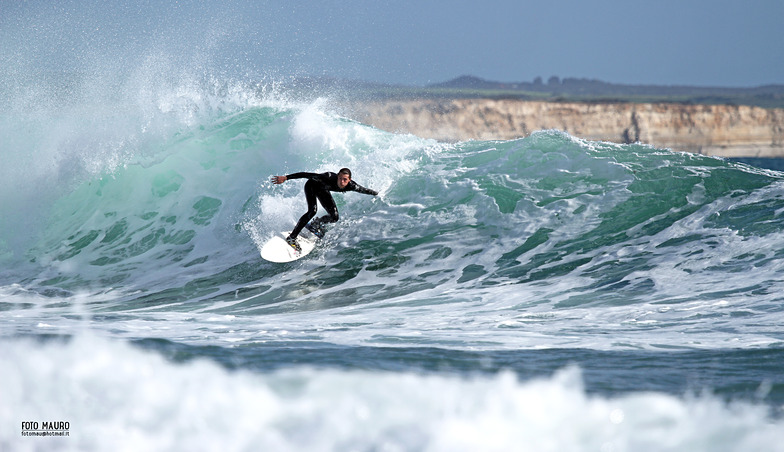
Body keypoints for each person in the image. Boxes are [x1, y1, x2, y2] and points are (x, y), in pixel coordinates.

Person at [271, 168, 378, 251]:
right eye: (340, 178)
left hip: (323, 190)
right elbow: (307, 175)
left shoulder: (351, 186)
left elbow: (363, 190)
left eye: (345, 179)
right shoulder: (328, 177)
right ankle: (292, 238)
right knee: (312, 211)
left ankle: (316, 224)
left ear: (349, 180)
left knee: (334, 217)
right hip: (311, 186)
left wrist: (377, 194)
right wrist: (286, 178)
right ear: (337, 177)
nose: (341, 181)